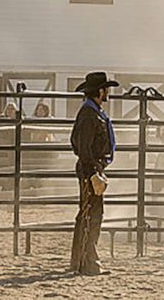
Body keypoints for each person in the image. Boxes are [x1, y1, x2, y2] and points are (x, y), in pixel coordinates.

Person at [69, 71, 118, 276]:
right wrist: (92, 172)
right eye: (106, 88)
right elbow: (82, 145)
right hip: (91, 168)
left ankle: (83, 261)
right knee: (91, 215)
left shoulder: (91, 111)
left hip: (93, 167)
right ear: (100, 91)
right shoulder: (90, 114)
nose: (107, 92)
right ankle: (88, 262)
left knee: (89, 214)